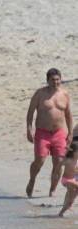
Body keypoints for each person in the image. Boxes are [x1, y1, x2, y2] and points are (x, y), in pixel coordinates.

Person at [26, 68, 73, 197]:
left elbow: (68, 114)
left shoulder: (64, 94)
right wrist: (29, 129)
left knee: (58, 162)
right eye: (53, 80)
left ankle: (52, 189)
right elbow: (30, 112)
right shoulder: (40, 94)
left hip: (59, 133)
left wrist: (70, 133)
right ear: (47, 80)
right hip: (42, 132)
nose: (56, 82)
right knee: (39, 160)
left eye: (58, 79)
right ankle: (32, 180)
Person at [59, 143, 78, 216]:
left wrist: (76, 181)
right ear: (73, 153)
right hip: (65, 180)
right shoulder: (68, 160)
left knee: (70, 193)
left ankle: (61, 213)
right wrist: (55, 174)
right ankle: (70, 202)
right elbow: (59, 163)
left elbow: (77, 173)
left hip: (73, 180)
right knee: (70, 198)